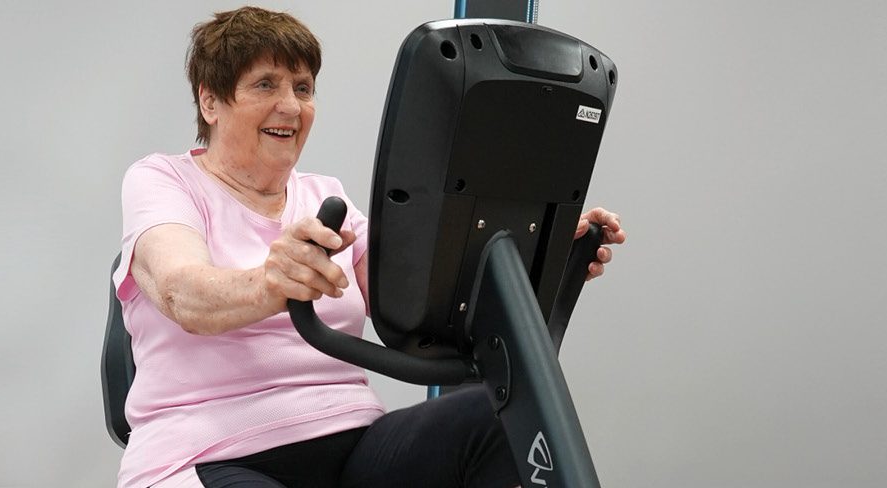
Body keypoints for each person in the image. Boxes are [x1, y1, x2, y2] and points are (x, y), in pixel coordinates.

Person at [113, 7, 626, 488]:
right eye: (265, 84)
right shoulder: (164, 180)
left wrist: (543, 259)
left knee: (497, 415)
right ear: (210, 100)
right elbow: (183, 294)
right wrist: (270, 281)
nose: (290, 106)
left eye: (303, 87)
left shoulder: (324, 196)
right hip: (210, 450)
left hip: (352, 440)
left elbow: (424, 299)